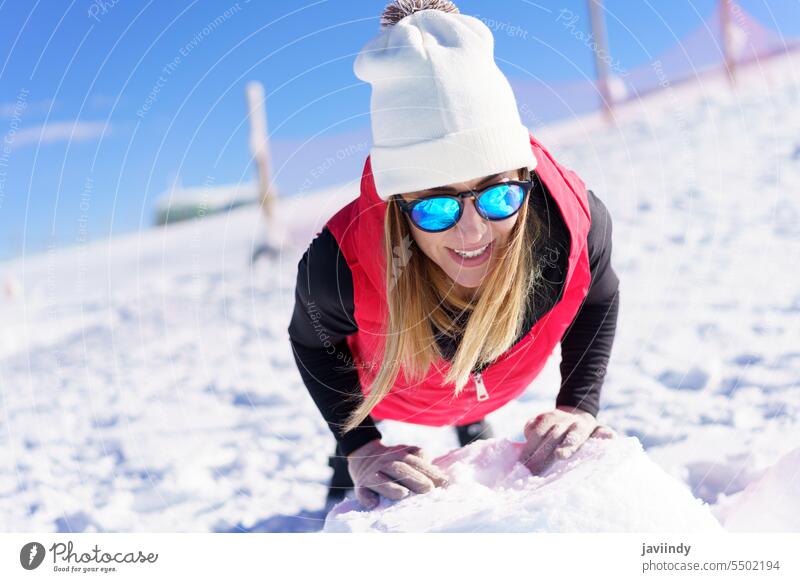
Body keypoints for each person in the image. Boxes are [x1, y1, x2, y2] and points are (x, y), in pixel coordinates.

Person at [288, 0, 620, 510]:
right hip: (400, 392)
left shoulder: (574, 225)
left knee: (470, 365)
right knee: (356, 463)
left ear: (522, 177)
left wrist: (578, 404)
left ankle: (469, 421)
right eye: (437, 206)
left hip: (495, 379)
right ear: (399, 205)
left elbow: (599, 296)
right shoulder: (337, 267)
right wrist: (359, 447)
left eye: (497, 195)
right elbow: (314, 345)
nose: (473, 231)